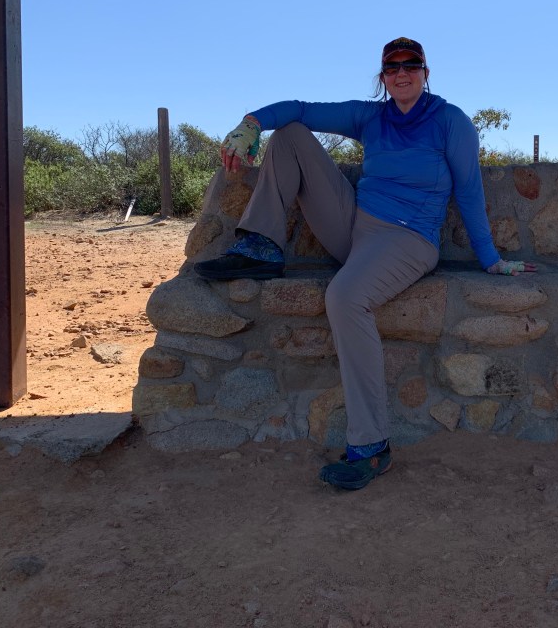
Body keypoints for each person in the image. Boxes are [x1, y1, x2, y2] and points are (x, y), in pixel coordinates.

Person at [194, 37, 536, 490]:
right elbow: (301, 108)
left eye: (411, 65)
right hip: (355, 225)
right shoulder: (371, 117)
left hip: (408, 238)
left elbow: (470, 191)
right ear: (383, 76)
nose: (401, 73)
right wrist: (251, 123)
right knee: (290, 133)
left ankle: (372, 445)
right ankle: (260, 246)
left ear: (426, 72)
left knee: (345, 297)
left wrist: (490, 259)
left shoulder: (451, 122)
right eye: (392, 66)